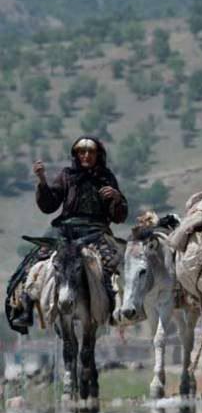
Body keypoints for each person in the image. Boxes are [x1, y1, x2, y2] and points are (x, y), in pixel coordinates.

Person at [6, 136, 128, 332]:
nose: (86, 155)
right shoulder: (67, 176)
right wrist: (42, 180)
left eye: (90, 152)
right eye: (82, 152)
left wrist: (116, 197)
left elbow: (119, 216)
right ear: (76, 155)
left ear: (98, 155)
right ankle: (24, 308)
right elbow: (49, 205)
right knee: (36, 260)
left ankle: (116, 308)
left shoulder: (107, 178)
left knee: (114, 264)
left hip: (96, 231)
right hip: (66, 230)